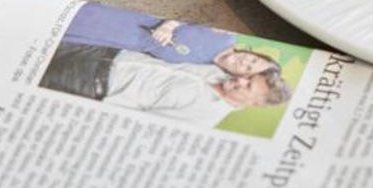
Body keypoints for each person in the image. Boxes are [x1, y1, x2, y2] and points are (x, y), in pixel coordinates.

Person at [39, 43, 290, 129]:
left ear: (254, 104)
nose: (240, 79)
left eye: (248, 86)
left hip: (88, 83)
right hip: (103, 54)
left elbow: (140, 121)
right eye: (248, 76)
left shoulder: (204, 117)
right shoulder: (216, 71)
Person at [58, 4, 271, 76]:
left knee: (67, 33)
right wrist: (170, 25)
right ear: (251, 53)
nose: (245, 62)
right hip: (133, 20)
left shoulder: (205, 69)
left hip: (125, 43)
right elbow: (198, 12)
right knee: (79, 16)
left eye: (249, 68)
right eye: (252, 59)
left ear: (241, 75)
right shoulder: (226, 36)